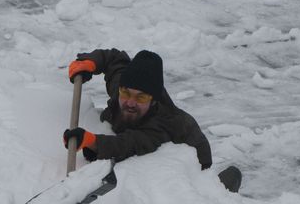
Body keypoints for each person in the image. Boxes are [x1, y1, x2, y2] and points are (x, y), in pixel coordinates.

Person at [64, 48, 241, 192]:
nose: (130, 102)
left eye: (140, 98)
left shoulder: (165, 123)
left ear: (153, 100)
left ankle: (219, 190)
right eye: (126, 93)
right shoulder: (122, 86)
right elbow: (115, 59)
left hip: (194, 162)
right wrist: (91, 62)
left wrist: (92, 142)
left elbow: (131, 143)